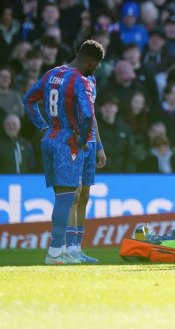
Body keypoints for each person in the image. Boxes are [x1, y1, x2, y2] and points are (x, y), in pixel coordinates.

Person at [23, 40, 105, 265]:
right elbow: (87, 114)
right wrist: (82, 139)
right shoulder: (79, 80)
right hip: (68, 140)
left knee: (67, 196)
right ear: (91, 62)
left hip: (51, 138)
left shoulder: (52, 73)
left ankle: (64, 251)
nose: (95, 70)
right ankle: (56, 252)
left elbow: (28, 99)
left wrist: (42, 126)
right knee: (67, 198)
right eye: (96, 65)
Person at [65, 67, 106, 263]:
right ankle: (69, 247)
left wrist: (99, 146)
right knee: (76, 193)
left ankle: (78, 248)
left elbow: (93, 115)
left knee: (85, 196)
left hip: (90, 143)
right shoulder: (71, 80)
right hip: (75, 142)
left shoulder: (93, 81)